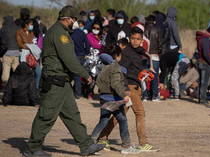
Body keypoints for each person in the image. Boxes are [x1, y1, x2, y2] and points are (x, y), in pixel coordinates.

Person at [22, 6, 104, 157]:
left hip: (62, 81)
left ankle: (85, 145)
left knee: (72, 115)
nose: (76, 23)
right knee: (46, 115)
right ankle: (32, 148)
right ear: (68, 19)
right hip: (56, 81)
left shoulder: (59, 31)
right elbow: (69, 59)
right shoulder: (61, 34)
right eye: (74, 20)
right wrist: (85, 75)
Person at [98, 27, 159, 152]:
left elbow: (139, 70)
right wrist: (125, 90)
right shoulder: (125, 53)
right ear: (129, 38)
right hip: (129, 87)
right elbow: (121, 73)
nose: (135, 41)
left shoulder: (142, 52)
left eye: (138, 39)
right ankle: (143, 143)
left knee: (119, 115)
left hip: (136, 86)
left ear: (142, 40)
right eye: (133, 38)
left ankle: (102, 138)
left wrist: (145, 75)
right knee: (140, 113)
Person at [91, 45, 140, 154]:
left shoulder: (104, 65)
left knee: (103, 121)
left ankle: (91, 142)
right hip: (113, 99)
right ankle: (126, 146)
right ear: (117, 56)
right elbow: (115, 84)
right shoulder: (115, 67)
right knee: (123, 120)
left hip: (104, 98)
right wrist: (124, 94)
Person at [196, 23, 210, 105]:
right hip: (205, 63)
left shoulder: (202, 38)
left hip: (201, 62)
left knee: (202, 82)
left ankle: (200, 98)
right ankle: (202, 99)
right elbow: (206, 53)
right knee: (205, 82)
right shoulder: (206, 40)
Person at [71, 19, 90, 99]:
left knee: (75, 75)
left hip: (74, 55)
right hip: (81, 56)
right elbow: (87, 44)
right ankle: (78, 92)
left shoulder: (71, 34)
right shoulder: (82, 33)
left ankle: (77, 93)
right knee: (78, 75)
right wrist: (86, 52)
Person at [145, 15, 162, 101]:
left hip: (145, 55)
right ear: (154, 21)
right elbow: (160, 44)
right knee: (154, 77)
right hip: (155, 55)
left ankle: (146, 95)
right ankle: (154, 96)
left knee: (145, 76)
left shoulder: (144, 30)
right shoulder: (158, 30)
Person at [0, 16, 20, 85]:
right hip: (16, 53)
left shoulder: (3, 29)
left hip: (7, 53)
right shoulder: (17, 28)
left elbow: (2, 42)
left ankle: (5, 87)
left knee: (6, 71)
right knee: (16, 71)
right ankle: (16, 87)